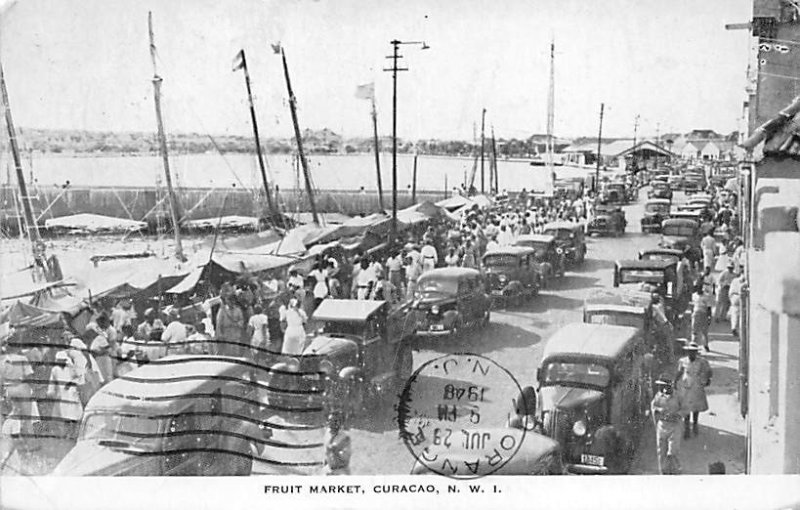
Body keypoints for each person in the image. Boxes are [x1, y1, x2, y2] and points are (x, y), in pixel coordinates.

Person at [675, 342, 712, 438]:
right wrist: (675, 381)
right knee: (686, 406)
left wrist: (707, 379)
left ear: (696, 352)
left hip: (696, 384)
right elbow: (679, 371)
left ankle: (695, 424)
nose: (692, 353)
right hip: (686, 384)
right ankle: (687, 428)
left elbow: (708, 371)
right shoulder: (683, 361)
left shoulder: (702, 362)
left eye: (694, 352)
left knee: (696, 406)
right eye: (690, 352)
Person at [650, 377, 684, 475]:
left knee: (672, 452)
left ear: (669, 386)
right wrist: (657, 410)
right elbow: (653, 407)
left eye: (663, 385)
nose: (660, 387)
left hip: (675, 426)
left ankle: (676, 471)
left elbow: (685, 408)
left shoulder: (678, 396)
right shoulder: (658, 396)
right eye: (660, 386)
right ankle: (663, 473)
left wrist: (677, 415)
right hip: (662, 426)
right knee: (661, 452)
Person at [47, 350, 83, 439]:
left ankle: (74, 433)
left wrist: (71, 383)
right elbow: (52, 382)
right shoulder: (55, 369)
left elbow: (79, 378)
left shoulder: (71, 368)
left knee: (74, 415)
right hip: (62, 395)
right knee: (65, 415)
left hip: (72, 393)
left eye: (62, 361)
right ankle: (67, 433)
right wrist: (50, 392)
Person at [690, 285, 710, 351]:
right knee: (694, 329)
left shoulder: (706, 296)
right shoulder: (694, 295)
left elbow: (709, 307)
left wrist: (709, 317)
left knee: (704, 331)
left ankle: (705, 345)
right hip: (696, 313)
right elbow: (692, 305)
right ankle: (693, 343)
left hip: (703, 313)